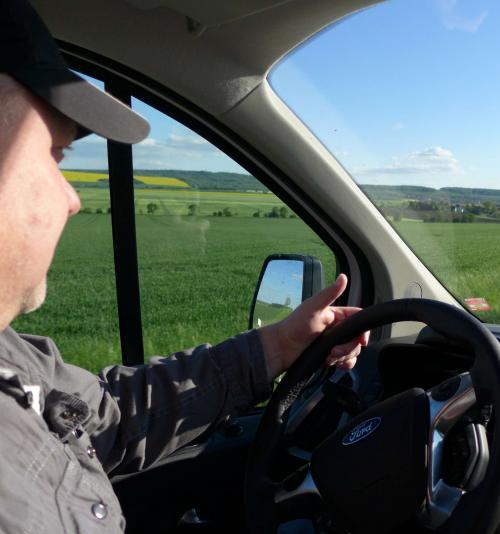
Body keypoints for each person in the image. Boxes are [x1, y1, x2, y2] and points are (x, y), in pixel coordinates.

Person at [0, 0, 369, 531]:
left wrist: (278, 346)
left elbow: (105, 419)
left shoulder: (12, 355)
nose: (73, 199)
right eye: (55, 154)